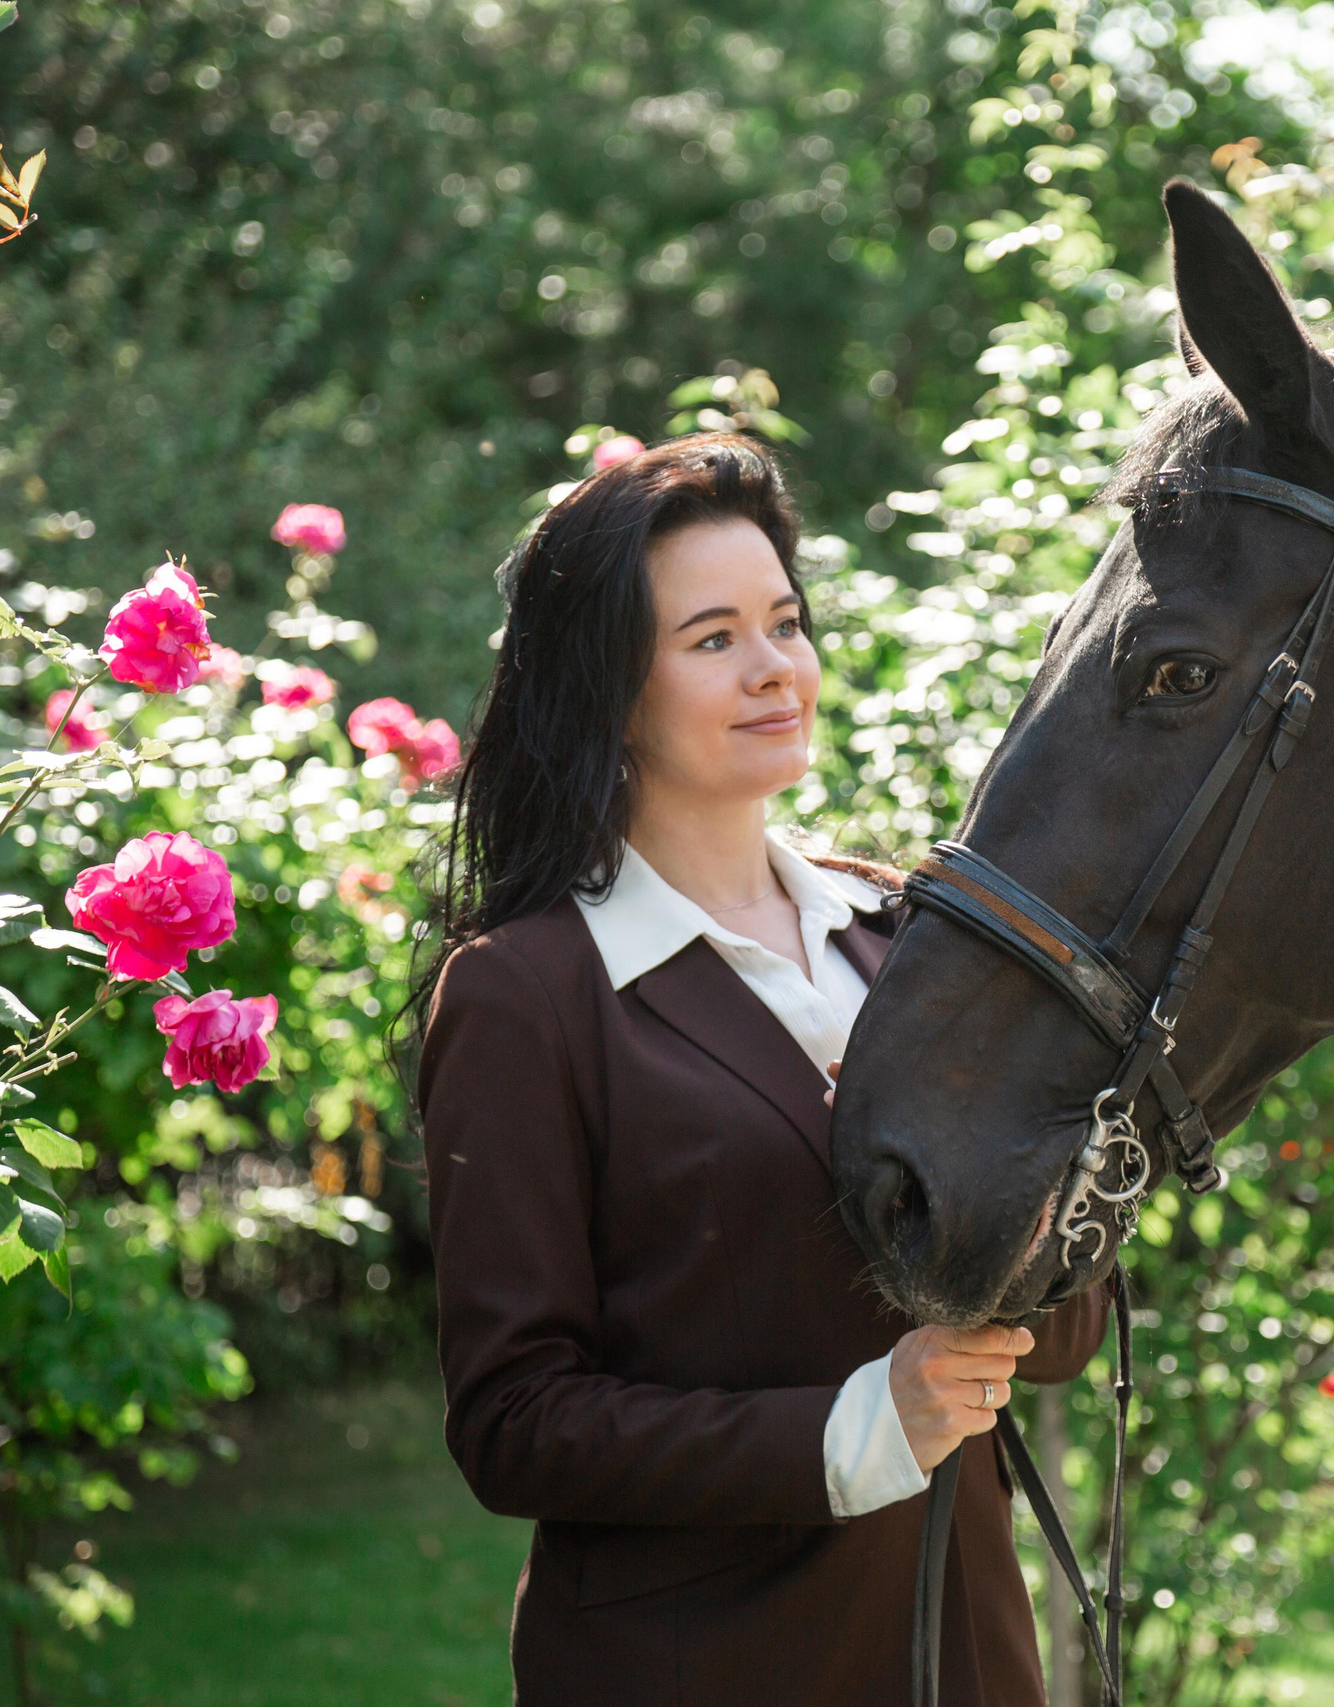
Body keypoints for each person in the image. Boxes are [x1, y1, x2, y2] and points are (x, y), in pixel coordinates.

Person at [415, 431, 1109, 1703]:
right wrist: (857, 1430)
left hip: (961, 1647)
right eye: (712, 639)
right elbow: (513, 1423)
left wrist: (1007, 1215)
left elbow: (1063, 1327)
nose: (773, 669)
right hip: (697, 1664)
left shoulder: (910, 935)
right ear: (610, 689)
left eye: (783, 623)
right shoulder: (526, 993)